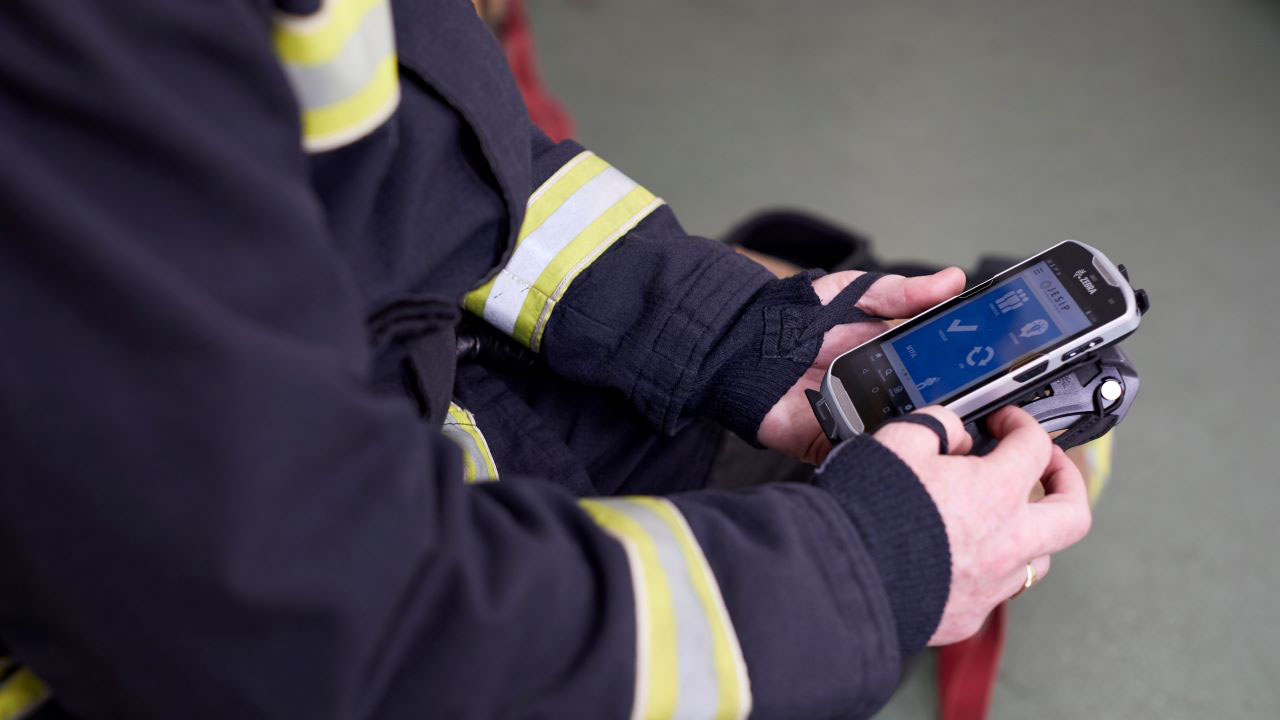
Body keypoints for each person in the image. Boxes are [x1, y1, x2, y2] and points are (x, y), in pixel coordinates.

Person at [0, 1, 1092, 718]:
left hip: (369, 431)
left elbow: (414, 151)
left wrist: (720, 328)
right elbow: (315, 628)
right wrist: (868, 571)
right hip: (180, 653)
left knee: (862, 421)